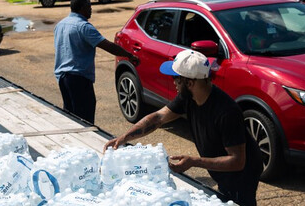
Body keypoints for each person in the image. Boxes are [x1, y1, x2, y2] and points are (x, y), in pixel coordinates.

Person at [104, 49, 262, 206]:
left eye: (176, 78)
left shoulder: (226, 112)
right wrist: (123, 138)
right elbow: (158, 118)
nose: (173, 83)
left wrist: (193, 161)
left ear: (190, 82)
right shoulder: (189, 97)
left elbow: (237, 161)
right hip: (223, 172)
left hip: (242, 175)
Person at [54, 0, 139, 124]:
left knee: (70, 116)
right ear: (82, 7)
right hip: (78, 78)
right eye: (89, 6)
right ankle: (84, 143)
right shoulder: (84, 27)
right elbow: (108, 46)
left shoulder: (61, 24)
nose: (91, 9)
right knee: (84, 118)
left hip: (62, 78)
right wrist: (129, 55)